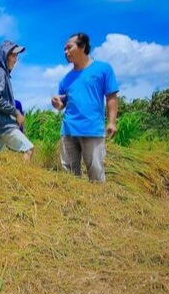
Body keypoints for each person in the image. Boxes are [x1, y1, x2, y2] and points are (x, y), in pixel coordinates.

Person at [51, 32, 119, 182]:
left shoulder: (103, 69)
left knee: (96, 174)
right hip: (68, 131)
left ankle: (98, 204)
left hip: (92, 130)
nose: (65, 52)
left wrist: (112, 122)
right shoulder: (65, 79)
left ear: (82, 46)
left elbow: (111, 97)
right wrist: (57, 104)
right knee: (68, 176)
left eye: (69, 47)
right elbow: (63, 103)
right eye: (64, 49)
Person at [0, 40, 34, 161]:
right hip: (4, 126)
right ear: (4, 55)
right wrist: (16, 112)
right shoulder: (0, 73)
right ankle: (24, 178)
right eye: (13, 55)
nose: (15, 59)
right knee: (29, 148)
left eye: (16, 56)